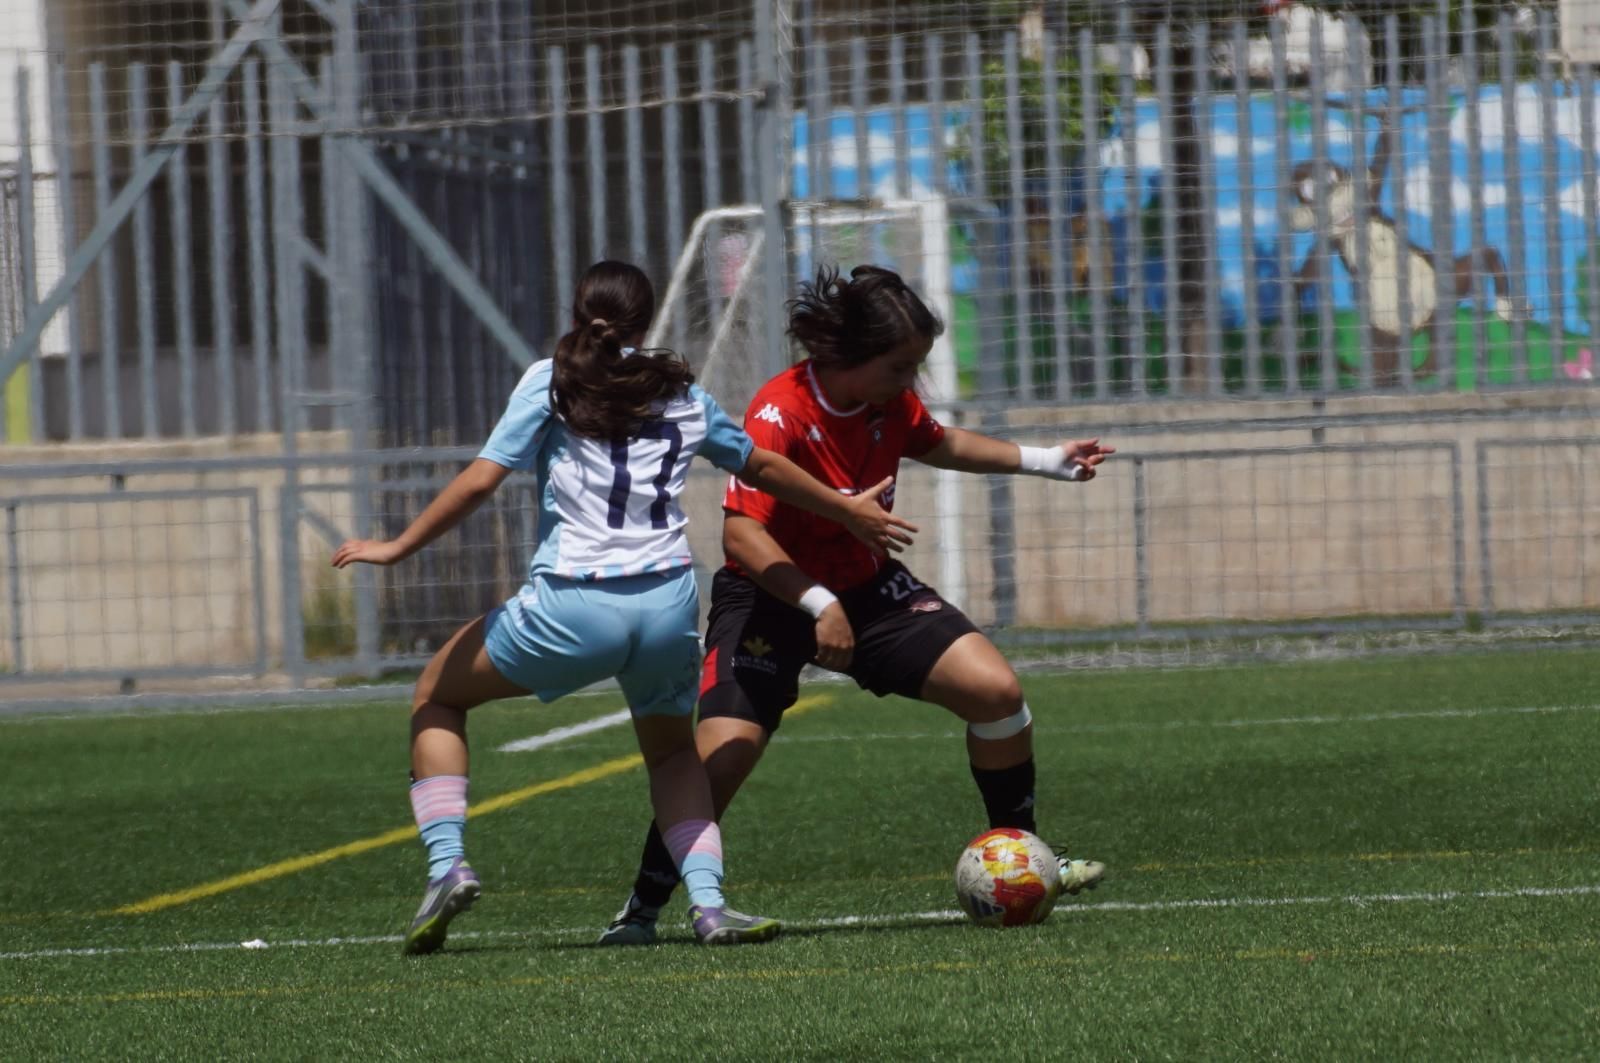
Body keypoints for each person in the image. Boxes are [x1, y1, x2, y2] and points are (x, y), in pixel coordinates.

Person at [332, 260, 916, 955]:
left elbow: (481, 479)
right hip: (667, 603)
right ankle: (709, 904)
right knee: (673, 755)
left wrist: (398, 545)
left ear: (581, 313)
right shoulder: (679, 390)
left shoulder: (553, 379)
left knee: (436, 695)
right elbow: (758, 465)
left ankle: (445, 864)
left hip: (575, 601)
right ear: (646, 321)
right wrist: (844, 507)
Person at [598, 264, 1112, 945]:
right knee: (722, 756)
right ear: (849, 356)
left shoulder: (887, 401)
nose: (912, 382)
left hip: (866, 589)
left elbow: (937, 441)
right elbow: (741, 535)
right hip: (771, 595)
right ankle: (642, 907)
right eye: (902, 366)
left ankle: (1026, 856)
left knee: (996, 692)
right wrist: (816, 603)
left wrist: (1047, 459)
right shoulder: (779, 411)